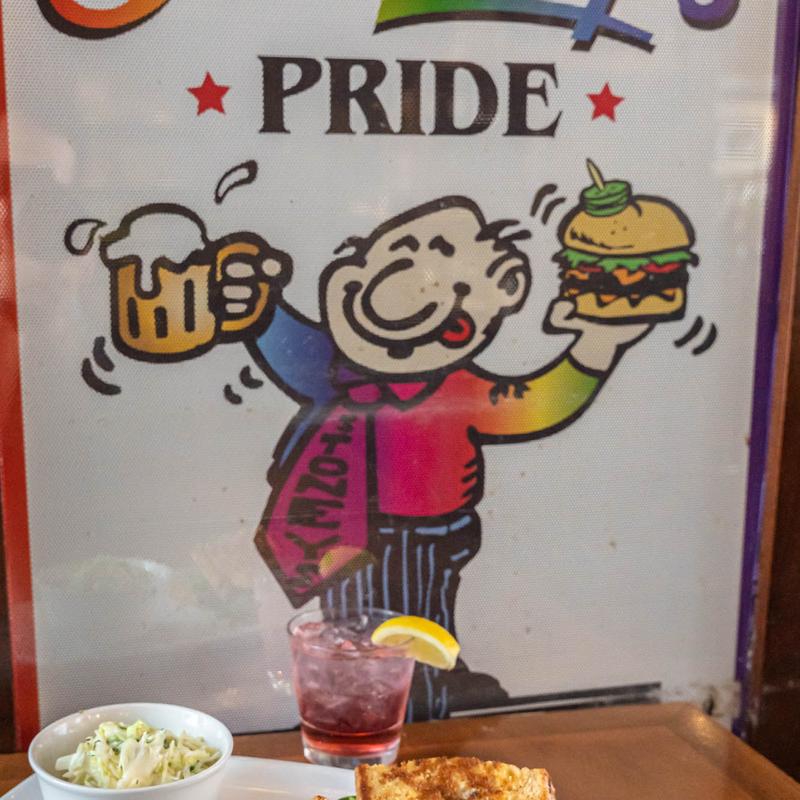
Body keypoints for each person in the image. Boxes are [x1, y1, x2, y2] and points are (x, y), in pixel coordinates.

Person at [217, 196, 651, 720]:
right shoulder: (335, 366)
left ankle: (425, 707)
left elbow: (537, 402)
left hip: (427, 534)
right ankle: (359, 714)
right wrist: (256, 303)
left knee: (420, 625)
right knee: (348, 625)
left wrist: (596, 346)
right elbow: (289, 344)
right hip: (344, 528)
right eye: (384, 258)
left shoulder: (460, 389)